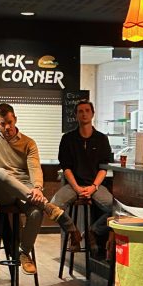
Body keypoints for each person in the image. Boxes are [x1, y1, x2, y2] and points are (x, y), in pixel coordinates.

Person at [0, 102, 81, 274]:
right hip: (2, 192)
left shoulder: (28, 143)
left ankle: (24, 253)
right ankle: (49, 206)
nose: (7, 127)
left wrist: (37, 188)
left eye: (10, 122)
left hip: (24, 189)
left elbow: (35, 168)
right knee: (0, 173)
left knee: (36, 212)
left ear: (15, 119)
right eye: (3, 124)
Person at [53, 100, 113, 253]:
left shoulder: (101, 139)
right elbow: (66, 167)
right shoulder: (68, 139)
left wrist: (93, 187)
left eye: (87, 110)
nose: (84, 114)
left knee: (116, 209)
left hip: (95, 186)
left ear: (93, 114)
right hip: (73, 185)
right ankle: (73, 232)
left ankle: (93, 231)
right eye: (80, 111)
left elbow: (103, 168)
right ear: (76, 115)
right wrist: (77, 188)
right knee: (52, 206)